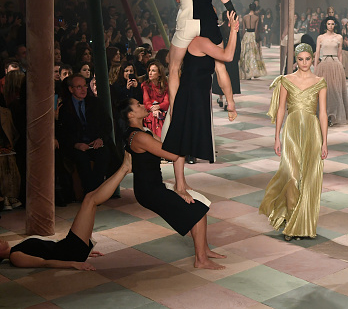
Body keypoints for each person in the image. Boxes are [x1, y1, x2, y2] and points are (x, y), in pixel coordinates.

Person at [120, 99, 225, 270]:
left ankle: (205, 251)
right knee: (196, 211)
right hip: (149, 191)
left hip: (154, 186)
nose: (142, 106)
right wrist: (183, 134)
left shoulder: (142, 131)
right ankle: (201, 260)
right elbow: (171, 155)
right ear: (131, 115)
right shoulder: (139, 136)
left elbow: (166, 145)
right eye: (138, 105)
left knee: (200, 204)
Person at [0, 154, 132, 270]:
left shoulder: (16, 248)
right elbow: (45, 263)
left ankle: (124, 169)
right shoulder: (15, 257)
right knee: (90, 200)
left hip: (69, 248)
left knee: (90, 198)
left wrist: (85, 251)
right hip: (70, 252)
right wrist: (73, 264)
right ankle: (124, 169)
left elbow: (49, 248)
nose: (0, 240)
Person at [162, 13, 239, 193]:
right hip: (190, 94)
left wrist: (231, 102)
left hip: (199, 95)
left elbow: (222, 72)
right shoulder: (199, 41)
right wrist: (234, 30)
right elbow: (228, 56)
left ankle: (181, 182)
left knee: (184, 139)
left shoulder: (210, 43)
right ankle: (179, 183)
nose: (217, 23)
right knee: (180, 139)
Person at [259, 43, 328, 240]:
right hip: (291, 130)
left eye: (308, 59)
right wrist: (276, 136)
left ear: (312, 58)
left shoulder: (320, 82)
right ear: (295, 60)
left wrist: (324, 142)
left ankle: (301, 224)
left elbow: (322, 113)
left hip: (313, 131)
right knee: (290, 175)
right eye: (300, 59)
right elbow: (281, 109)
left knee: (309, 177)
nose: (304, 63)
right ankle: (289, 217)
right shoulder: (286, 81)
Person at [168, 0, 236, 114]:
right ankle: (230, 103)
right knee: (220, 66)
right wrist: (232, 11)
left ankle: (175, 110)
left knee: (174, 67)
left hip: (185, 22)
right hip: (207, 22)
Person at [314, 16, 348, 126]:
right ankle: (324, 115)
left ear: (335, 25)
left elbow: (340, 54)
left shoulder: (339, 37)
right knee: (324, 90)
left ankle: (333, 115)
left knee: (336, 90)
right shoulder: (320, 37)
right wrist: (315, 67)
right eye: (328, 24)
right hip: (324, 64)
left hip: (335, 64)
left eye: (332, 24)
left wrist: (341, 66)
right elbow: (317, 53)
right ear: (325, 25)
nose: (330, 26)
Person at [141, 61, 169, 140]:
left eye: (153, 71)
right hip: (151, 112)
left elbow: (166, 103)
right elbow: (146, 102)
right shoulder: (145, 85)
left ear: (159, 73)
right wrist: (154, 109)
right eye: (149, 70)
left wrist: (158, 107)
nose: (150, 73)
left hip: (163, 111)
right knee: (155, 117)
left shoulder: (166, 86)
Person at [239, 2, 267, 80]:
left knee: (246, 54)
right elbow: (256, 29)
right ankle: (253, 72)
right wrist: (257, 40)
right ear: (255, 9)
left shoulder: (245, 17)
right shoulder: (256, 18)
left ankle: (246, 72)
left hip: (247, 35)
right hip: (253, 35)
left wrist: (242, 38)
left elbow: (243, 29)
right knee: (254, 54)